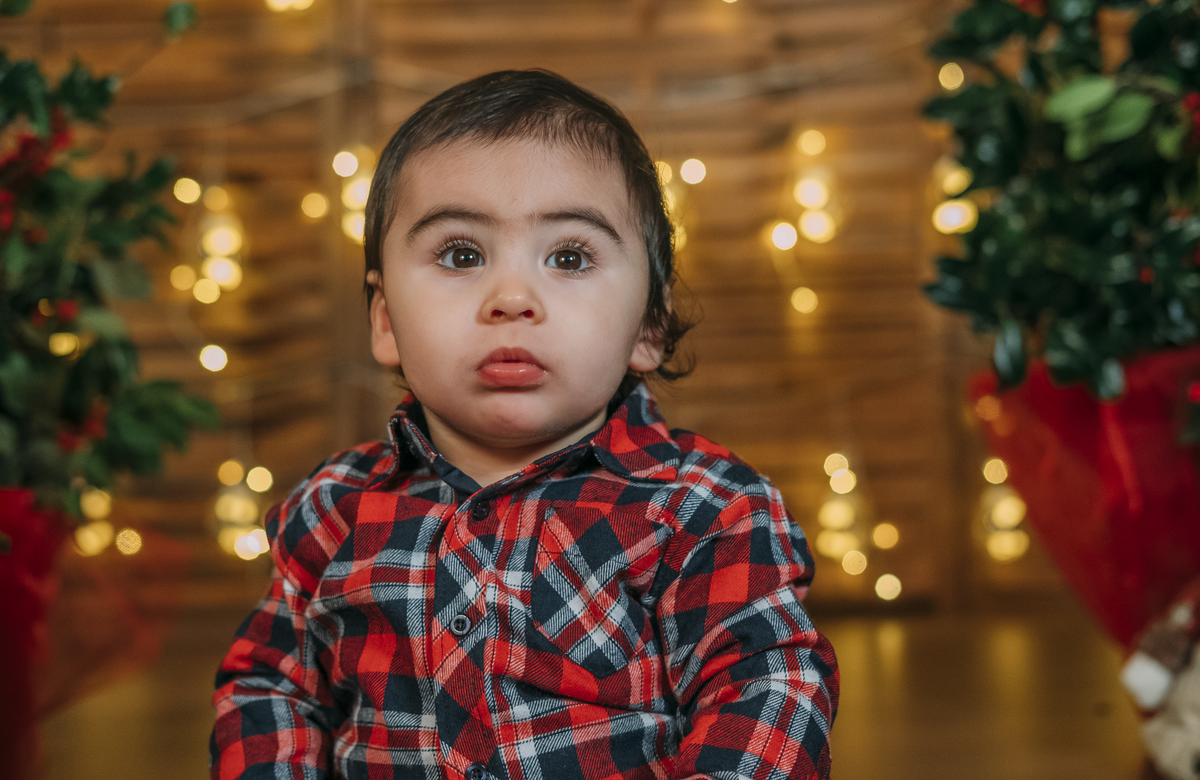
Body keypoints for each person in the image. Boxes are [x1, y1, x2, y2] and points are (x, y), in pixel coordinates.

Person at [210, 69, 838, 780]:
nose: (512, 297)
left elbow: (767, 684)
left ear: (648, 327)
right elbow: (272, 687)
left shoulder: (704, 510)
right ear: (385, 321)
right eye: (461, 255)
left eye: (569, 257)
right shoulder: (333, 511)